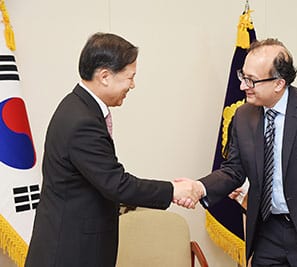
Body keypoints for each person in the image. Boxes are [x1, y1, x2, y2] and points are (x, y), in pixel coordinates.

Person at [178, 38, 297, 267]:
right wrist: (199, 187)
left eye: (251, 80)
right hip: (268, 232)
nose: (242, 86)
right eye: (242, 76)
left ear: (278, 83)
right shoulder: (243, 116)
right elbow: (233, 170)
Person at [25, 32, 200, 267]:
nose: (133, 85)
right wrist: (173, 191)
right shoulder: (81, 121)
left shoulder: (78, 106)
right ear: (105, 76)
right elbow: (117, 184)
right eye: (130, 77)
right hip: (70, 252)